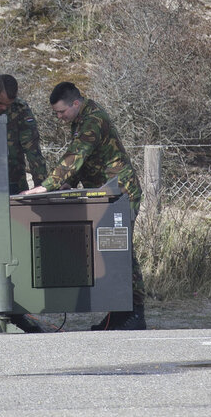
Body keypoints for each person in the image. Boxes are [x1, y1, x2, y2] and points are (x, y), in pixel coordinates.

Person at [23, 81, 146, 331]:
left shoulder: (93, 119)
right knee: (111, 253)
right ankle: (118, 314)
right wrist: (67, 184)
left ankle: (134, 313)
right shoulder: (81, 119)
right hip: (106, 195)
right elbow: (86, 161)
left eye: (61, 112)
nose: (59, 117)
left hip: (121, 194)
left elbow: (78, 153)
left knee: (120, 255)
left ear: (76, 103)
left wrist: (48, 185)